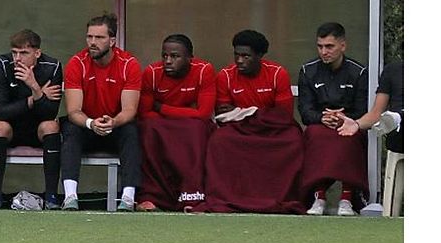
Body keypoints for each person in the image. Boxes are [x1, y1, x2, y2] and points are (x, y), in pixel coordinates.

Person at [196, 29, 304, 214]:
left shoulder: (278, 74)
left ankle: (283, 197)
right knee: (219, 140)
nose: (239, 61)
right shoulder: (225, 76)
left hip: (271, 129)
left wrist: (245, 112)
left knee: (294, 139)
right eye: (236, 55)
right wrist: (255, 114)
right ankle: (225, 196)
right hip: (240, 130)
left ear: (260, 55)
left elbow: (282, 116)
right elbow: (223, 117)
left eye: (246, 56)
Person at [61, 13, 142, 211]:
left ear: (112, 40)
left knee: (131, 131)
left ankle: (128, 197)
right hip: (87, 125)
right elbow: (73, 110)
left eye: (99, 38)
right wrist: (91, 123)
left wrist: (113, 122)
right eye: (89, 37)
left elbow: (130, 110)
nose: (92, 42)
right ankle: (70, 196)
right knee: (70, 129)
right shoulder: (76, 63)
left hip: (116, 125)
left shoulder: (129, 64)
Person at [0, 29, 63, 210]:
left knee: (51, 126)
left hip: (37, 128)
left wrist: (34, 87)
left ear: (37, 53)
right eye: (14, 52)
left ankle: (51, 196)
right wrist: (35, 98)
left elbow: (50, 113)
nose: (17, 58)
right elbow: (0, 111)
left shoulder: (52, 67)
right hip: (11, 127)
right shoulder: (2, 65)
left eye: (24, 53)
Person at [136, 34, 216, 211]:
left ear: (189, 58)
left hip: (190, 125)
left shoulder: (204, 70)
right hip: (163, 125)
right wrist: (184, 114)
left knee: (197, 129)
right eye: (164, 56)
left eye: (175, 56)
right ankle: (153, 197)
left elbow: (203, 113)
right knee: (148, 129)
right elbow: (145, 113)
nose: (168, 61)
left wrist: (162, 108)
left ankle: (192, 196)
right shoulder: (152, 73)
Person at [298, 22, 369, 216]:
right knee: (314, 134)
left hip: (348, 124)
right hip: (320, 125)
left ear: (343, 46)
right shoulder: (307, 71)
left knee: (350, 136)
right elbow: (305, 111)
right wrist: (322, 117)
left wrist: (344, 118)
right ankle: (318, 197)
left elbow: (363, 110)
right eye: (320, 46)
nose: (324, 52)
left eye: (329, 46)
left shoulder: (359, 72)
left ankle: (347, 199)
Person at [338, 60, 403, 153]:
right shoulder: (393, 70)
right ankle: (397, 119)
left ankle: (398, 118)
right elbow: (376, 113)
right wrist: (356, 124)